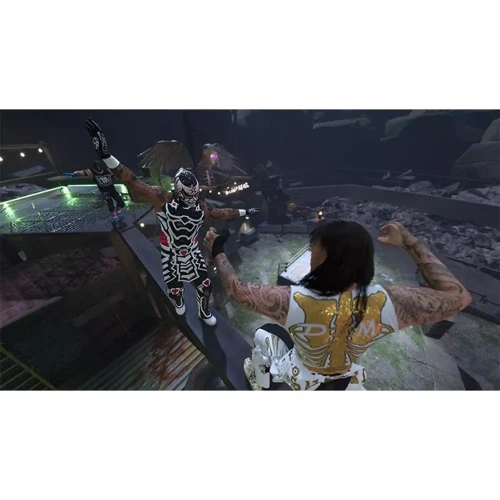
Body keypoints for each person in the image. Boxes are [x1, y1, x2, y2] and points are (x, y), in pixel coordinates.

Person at [203, 220, 472, 390]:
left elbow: (236, 289)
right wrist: (409, 242)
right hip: (343, 375)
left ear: (325, 257)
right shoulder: (389, 302)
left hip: (301, 374)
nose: (311, 253)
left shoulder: (293, 300)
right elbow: (460, 297)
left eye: (314, 248)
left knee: (264, 334)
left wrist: (217, 249)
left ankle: (260, 384)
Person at [84, 118, 259, 326]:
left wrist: (243, 211)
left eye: (193, 195)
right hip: (171, 254)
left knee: (204, 286)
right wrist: (106, 156)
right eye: (188, 195)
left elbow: (220, 212)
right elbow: (132, 180)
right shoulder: (162, 198)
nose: (191, 199)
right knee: (175, 290)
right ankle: (178, 301)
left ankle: (203, 312)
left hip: (192, 252)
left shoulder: (199, 205)